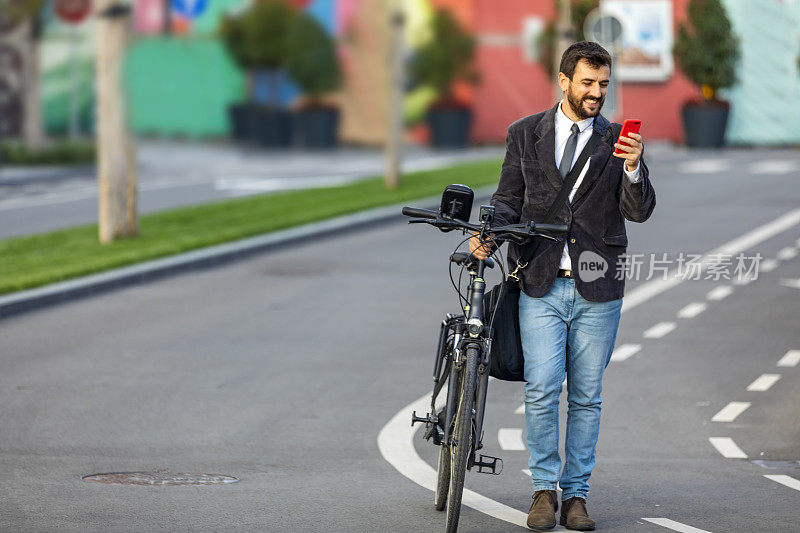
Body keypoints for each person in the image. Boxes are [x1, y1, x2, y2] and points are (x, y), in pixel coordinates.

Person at [469, 41, 655, 531]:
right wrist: (487, 232)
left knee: (587, 396)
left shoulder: (616, 141)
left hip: (598, 286)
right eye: (588, 83)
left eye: (603, 85)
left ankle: (577, 496)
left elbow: (639, 211)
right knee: (542, 389)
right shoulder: (525, 134)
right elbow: (509, 198)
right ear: (564, 80)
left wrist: (634, 168)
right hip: (539, 282)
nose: (597, 93)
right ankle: (544, 491)